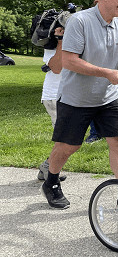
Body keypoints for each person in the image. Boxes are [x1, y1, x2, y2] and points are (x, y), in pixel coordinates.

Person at [41, 0, 118, 209]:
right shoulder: (80, 21)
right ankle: (51, 180)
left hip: (108, 97)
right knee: (69, 146)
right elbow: (69, 62)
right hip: (76, 99)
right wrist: (106, 73)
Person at [37, 26, 67, 182]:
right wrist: (60, 40)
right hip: (54, 96)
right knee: (64, 138)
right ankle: (49, 169)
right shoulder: (51, 43)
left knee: (66, 138)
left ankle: (48, 166)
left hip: (69, 96)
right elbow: (56, 68)